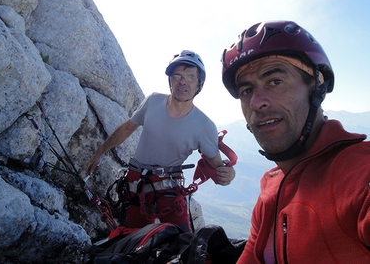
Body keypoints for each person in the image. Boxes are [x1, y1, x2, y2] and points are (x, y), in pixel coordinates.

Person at [221, 20, 370, 263]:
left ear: (317, 85)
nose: (257, 102)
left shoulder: (360, 176)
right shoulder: (270, 191)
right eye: (246, 90)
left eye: (275, 81)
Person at [87, 50, 236, 232]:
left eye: (190, 77)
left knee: (183, 243)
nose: (183, 82)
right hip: (137, 186)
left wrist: (229, 175)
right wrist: (99, 152)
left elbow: (218, 166)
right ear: (170, 81)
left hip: (168, 192)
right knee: (137, 242)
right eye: (177, 76)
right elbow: (127, 128)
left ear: (199, 84)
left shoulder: (204, 125)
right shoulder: (153, 101)